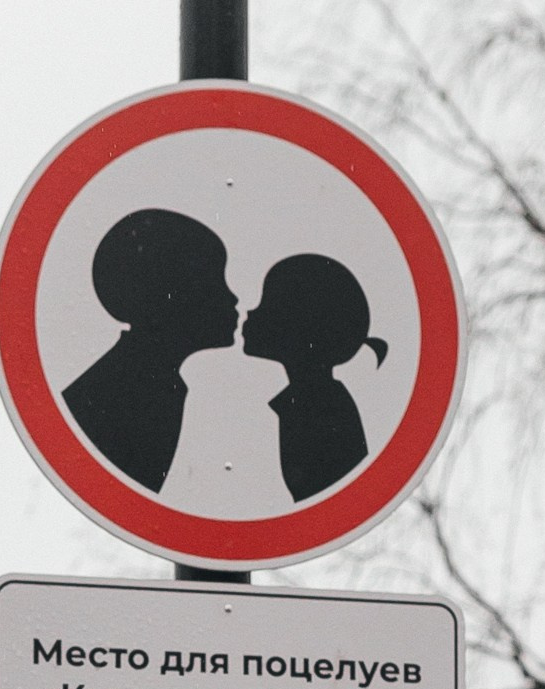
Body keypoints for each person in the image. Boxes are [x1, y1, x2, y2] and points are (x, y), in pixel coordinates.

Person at [62, 207, 242, 492]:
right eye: (213, 281)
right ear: (172, 295)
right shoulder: (132, 390)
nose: (233, 298)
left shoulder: (147, 379)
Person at [240, 252, 386, 502]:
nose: (250, 313)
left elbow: (331, 499)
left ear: (299, 323)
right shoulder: (312, 400)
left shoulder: (320, 407)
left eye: (268, 304)